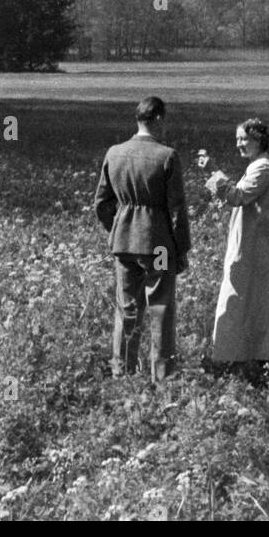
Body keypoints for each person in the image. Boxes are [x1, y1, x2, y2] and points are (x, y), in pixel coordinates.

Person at [94, 95, 191, 382]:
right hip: (158, 245)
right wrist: (181, 248)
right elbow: (176, 209)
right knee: (160, 307)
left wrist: (117, 228)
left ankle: (121, 372)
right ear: (159, 119)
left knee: (127, 309)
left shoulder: (114, 153)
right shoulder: (167, 156)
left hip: (124, 242)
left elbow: (101, 203)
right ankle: (161, 376)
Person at [206, 118, 269, 365]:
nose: (238, 144)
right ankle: (249, 355)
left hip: (254, 245)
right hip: (251, 242)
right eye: (237, 139)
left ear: (257, 140)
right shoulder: (256, 165)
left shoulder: (262, 168)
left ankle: (244, 356)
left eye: (243, 139)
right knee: (248, 297)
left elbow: (237, 197)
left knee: (244, 296)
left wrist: (212, 172)